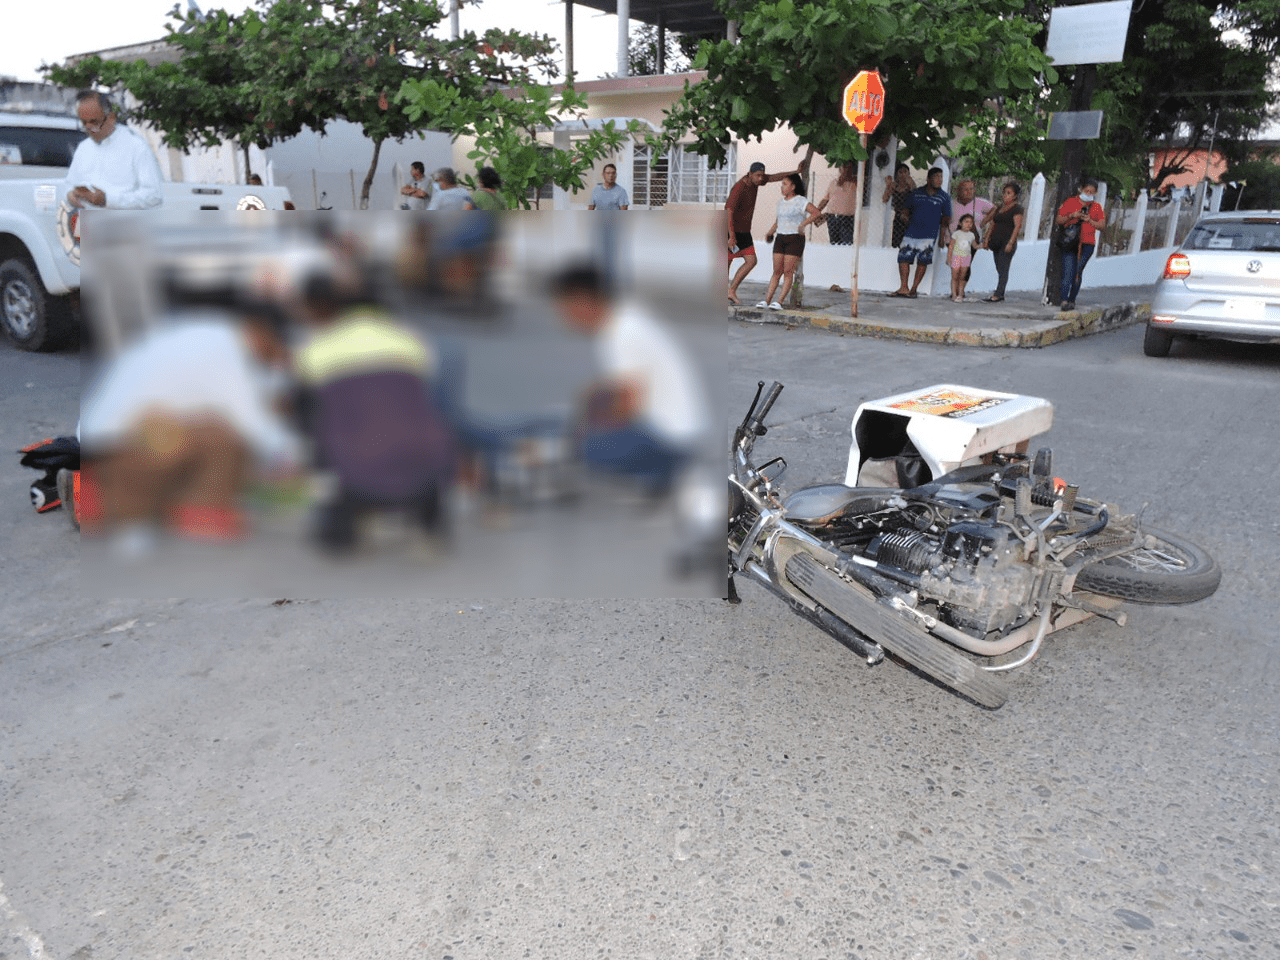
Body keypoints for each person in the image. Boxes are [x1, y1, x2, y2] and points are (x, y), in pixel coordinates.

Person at [77, 303, 300, 547]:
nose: (278, 354)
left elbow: (261, 394)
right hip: (112, 442)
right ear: (262, 333)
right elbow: (252, 420)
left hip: (110, 433)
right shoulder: (223, 350)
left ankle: (184, 503)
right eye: (279, 346)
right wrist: (294, 459)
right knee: (223, 436)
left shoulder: (216, 335)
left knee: (214, 431)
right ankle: (99, 498)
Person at [292, 271, 456, 553]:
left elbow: (306, 410)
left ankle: (340, 521)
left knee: (320, 426)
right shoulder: (410, 339)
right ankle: (429, 521)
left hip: (355, 456)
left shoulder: (315, 347)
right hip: (424, 451)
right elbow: (430, 396)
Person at [551, 264, 709, 498]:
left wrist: (586, 428)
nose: (564, 319)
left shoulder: (622, 332)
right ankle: (661, 468)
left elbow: (629, 403)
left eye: (565, 310)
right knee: (582, 419)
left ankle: (661, 471)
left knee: (580, 447)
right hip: (681, 430)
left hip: (672, 439)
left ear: (582, 301)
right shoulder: (627, 318)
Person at [64, 90, 163, 211]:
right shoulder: (84, 148)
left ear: (111, 118)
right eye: (84, 123)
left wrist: (108, 200)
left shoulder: (136, 146)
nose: (89, 128)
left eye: (94, 122)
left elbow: (154, 196)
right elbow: (70, 184)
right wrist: (70, 195)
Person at [726, 159, 807, 304]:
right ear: (750, 174)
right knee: (726, 262)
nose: (760, 178)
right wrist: (731, 235)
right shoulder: (739, 187)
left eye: (762, 175)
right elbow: (729, 211)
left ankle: (731, 290)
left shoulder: (758, 181)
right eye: (757, 175)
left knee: (751, 261)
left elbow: (774, 177)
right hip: (730, 229)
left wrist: (796, 172)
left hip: (744, 231)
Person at [758, 173, 822, 310]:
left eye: (785, 184)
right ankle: (766, 301)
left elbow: (816, 213)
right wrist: (770, 232)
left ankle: (779, 302)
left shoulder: (800, 200)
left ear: (793, 186)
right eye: (782, 184)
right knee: (776, 271)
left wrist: (803, 224)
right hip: (781, 237)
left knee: (788, 271)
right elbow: (778, 221)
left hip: (795, 238)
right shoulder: (781, 202)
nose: (782, 187)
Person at [890, 167, 951, 298]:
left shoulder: (944, 197)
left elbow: (946, 219)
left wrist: (942, 237)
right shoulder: (916, 193)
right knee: (903, 258)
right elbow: (906, 209)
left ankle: (913, 289)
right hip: (911, 232)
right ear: (929, 179)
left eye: (941, 177)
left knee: (922, 261)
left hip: (929, 235)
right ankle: (903, 287)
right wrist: (904, 216)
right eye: (937, 177)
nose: (940, 180)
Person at [1056, 178, 1106, 311]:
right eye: (1086, 191)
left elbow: (1101, 225)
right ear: (1081, 190)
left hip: (1087, 243)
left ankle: (1072, 299)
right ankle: (1064, 300)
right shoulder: (1070, 202)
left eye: (1092, 192)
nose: (1088, 194)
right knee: (1068, 271)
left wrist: (1089, 220)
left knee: (1077, 271)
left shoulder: (1096, 207)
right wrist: (1072, 215)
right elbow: (1059, 220)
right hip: (1070, 242)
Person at [980, 182, 1024, 302]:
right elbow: (993, 223)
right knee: (999, 267)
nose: (1005, 195)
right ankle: (1000, 292)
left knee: (1004, 267)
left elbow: (1017, 226)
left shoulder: (1017, 209)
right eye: (1004, 193)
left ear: (1015, 196)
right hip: (996, 241)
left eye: (1009, 193)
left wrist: (1011, 242)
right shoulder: (999, 208)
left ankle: (998, 294)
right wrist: (987, 239)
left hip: (1006, 241)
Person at [947, 178, 993, 283]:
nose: (969, 192)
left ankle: (960, 290)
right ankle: (956, 290)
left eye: (971, 189)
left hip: (971, 240)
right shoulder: (951, 204)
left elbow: (995, 209)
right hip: (953, 239)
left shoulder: (980, 203)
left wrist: (984, 221)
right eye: (965, 189)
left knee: (965, 266)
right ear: (958, 190)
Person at [816, 162, 858, 245]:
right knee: (834, 244)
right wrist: (816, 212)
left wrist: (845, 174)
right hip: (832, 218)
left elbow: (846, 178)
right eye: (842, 168)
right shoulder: (833, 182)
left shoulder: (855, 183)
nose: (844, 170)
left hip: (847, 219)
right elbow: (825, 199)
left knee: (846, 245)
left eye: (847, 168)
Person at [881, 162, 915, 248]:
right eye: (900, 172)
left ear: (908, 173)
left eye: (905, 171)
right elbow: (885, 199)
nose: (903, 174)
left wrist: (911, 184)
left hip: (909, 218)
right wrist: (888, 185)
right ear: (897, 174)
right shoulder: (894, 185)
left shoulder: (910, 185)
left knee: (908, 244)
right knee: (896, 244)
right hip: (898, 218)